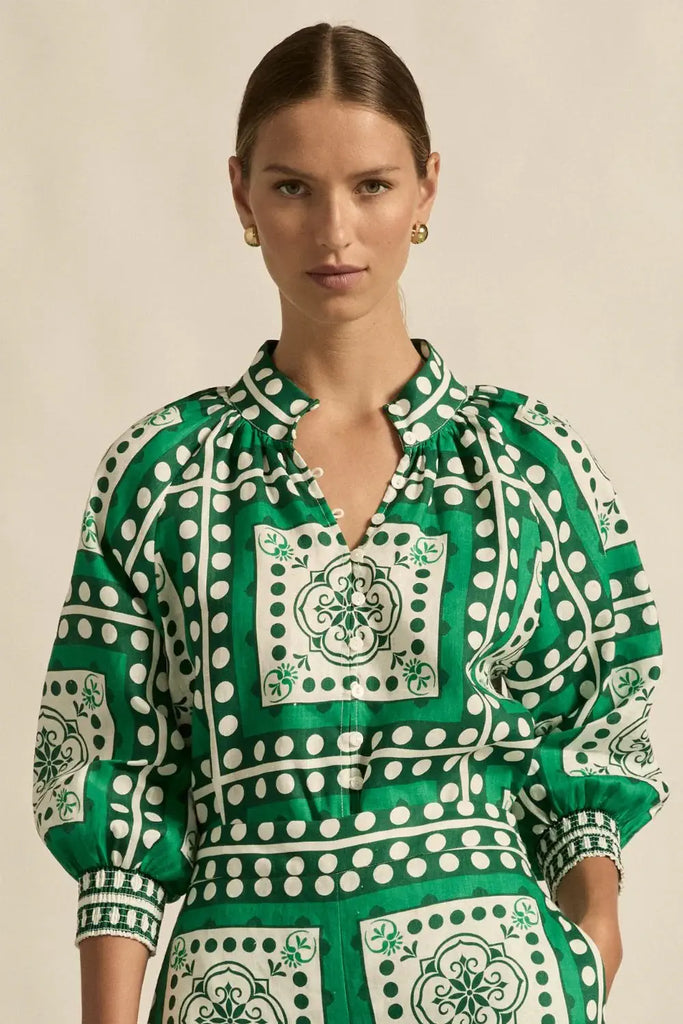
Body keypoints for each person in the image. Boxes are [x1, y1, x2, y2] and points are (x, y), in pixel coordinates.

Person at [31, 21, 670, 1024]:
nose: (334, 230)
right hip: (238, 994)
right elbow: (112, 770)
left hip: (491, 986)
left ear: (425, 189)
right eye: (293, 187)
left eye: (370, 185)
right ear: (241, 192)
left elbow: (592, 719)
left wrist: (592, 934)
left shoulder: (523, 461)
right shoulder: (164, 474)